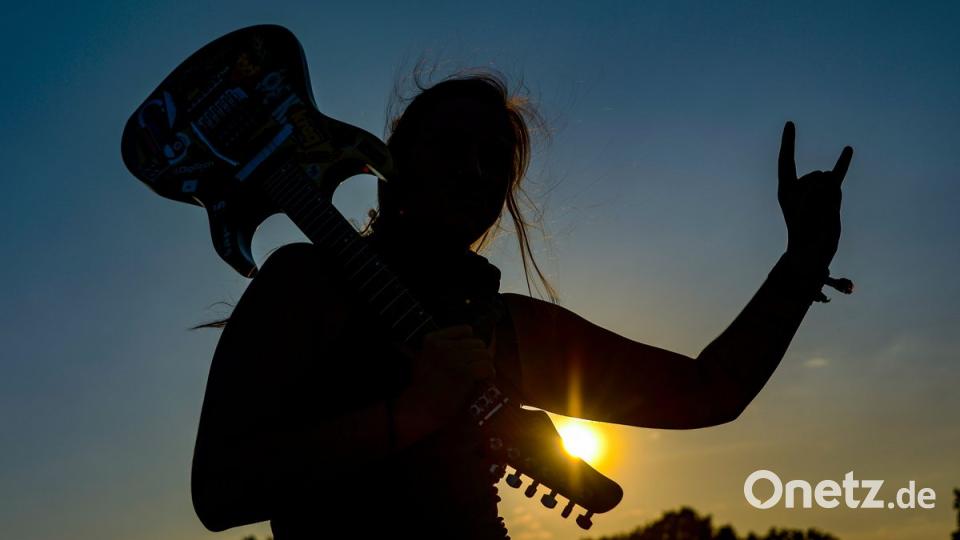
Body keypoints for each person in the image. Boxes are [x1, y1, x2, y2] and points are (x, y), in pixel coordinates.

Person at [189, 68, 854, 539]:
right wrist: (414, 412)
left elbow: (708, 392)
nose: (474, 171)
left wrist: (803, 262)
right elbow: (220, 492)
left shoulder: (507, 327)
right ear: (393, 162)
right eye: (451, 147)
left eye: (495, 160)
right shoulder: (306, 282)